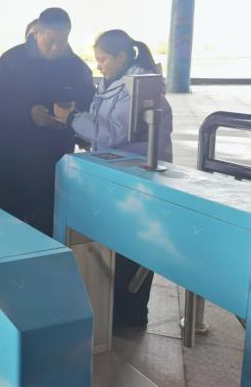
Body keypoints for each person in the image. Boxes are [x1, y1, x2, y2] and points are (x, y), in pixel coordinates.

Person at [53, 29, 173, 328]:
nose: (98, 65)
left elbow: (112, 134)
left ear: (121, 56)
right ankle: (115, 311)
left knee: (135, 247)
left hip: (138, 181)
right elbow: (101, 128)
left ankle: (132, 314)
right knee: (118, 244)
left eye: (103, 59)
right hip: (117, 177)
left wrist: (71, 119)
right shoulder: (112, 85)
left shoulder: (140, 89)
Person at [0, 7, 94, 237]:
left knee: (50, 223)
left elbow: (89, 103)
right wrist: (28, 113)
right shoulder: (11, 60)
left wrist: (70, 118)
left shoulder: (76, 67)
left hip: (54, 161)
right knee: (13, 224)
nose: (56, 47)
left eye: (61, 41)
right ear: (36, 32)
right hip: (15, 158)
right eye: (49, 41)